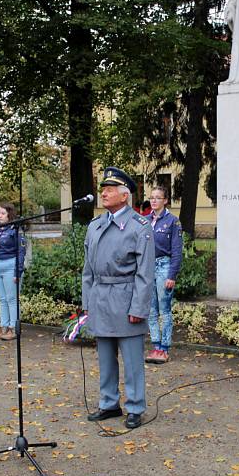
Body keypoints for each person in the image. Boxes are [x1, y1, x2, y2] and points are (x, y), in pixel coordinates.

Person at [82, 167, 155, 429]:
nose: (103, 193)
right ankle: (109, 403)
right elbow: (88, 270)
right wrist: (86, 302)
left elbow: (145, 273)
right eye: (103, 189)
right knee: (105, 357)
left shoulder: (139, 226)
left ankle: (135, 406)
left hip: (125, 299)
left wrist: (139, 307)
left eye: (109, 189)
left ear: (124, 196)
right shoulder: (96, 225)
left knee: (132, 359)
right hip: (101, 297)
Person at [145, 186, 183, 364]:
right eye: (151, 198)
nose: (153, 201)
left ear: (165, 200)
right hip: (148, 268)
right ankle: (155, 346)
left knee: (164, 310)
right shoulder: (145, 221)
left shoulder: (172, 222)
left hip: (164, 267)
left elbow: (177, 251)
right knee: (151, 310)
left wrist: (172, 275)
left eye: (158, 198)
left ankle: (165, 348)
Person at [0, 203, 25, 341]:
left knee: (11, 299)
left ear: (10, 214)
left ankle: (13, 328)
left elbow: (21, 252)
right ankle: (3, 326)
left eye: (3, 213)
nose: (0, 216)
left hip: (10, 265)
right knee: (2, 299)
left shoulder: (15, 230)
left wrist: (18, 271)